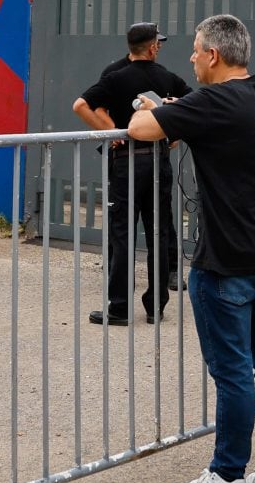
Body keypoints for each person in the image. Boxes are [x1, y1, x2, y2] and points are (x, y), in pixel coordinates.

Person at [127, 13, 255, 483]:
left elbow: (140, 127)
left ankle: (225, 478)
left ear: (214, 55)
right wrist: (180, 113)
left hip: (226, 263)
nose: (191, 58)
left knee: (234, 374)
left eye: (196, 50)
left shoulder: (212, 102)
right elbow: (217, 127)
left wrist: (159, 110)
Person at [73, 22, 191, 325]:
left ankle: (120, 308)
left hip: (127, 162)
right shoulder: (167, 77)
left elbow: (81, 105)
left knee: (122, 233)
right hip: (159, 160)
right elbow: (191, 104)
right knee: (158, 232)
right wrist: (174, 130)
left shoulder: (115, 77)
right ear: (152, 48)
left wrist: (111, 132)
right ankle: (156, 307)